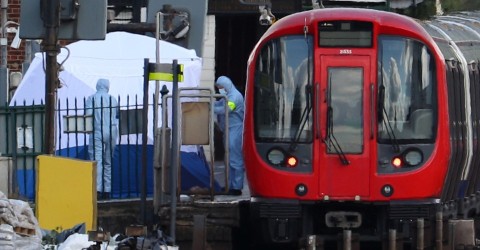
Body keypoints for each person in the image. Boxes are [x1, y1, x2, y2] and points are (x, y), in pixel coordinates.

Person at [86, 78, 119, 200]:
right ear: (107, 86)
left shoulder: (92, 98)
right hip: (111, 130)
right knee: (108, 161)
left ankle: (98, 189)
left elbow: (88, 115)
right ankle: (107, 190)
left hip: (97, 130)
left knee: (97, 160)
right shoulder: (113, 99)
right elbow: (116, 115)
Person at [214, 76, 245, 196]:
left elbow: (227, 109)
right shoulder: (228, 94)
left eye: (221, 87)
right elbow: (219, 103)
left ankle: (236, 187)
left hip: (235, 130)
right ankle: (230, 185)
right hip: (229, 130)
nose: (219, 90)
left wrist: (211, 108)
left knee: (235, 159)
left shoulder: (235, 97)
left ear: (226, 85)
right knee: (228, 159)